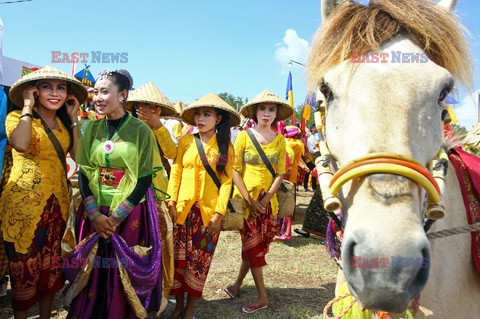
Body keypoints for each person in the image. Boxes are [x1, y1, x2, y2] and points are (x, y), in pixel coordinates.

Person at [64, 69, 167, 319]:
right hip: (95, 209)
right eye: (95, 92)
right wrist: (94, 214)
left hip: (129, 210)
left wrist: (117, 217)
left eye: (105, 91)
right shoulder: (90, 129)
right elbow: (86, 172)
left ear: (122, 95)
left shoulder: (141, 131)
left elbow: (145, 178)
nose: (98, 97)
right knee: (96, 265)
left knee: (121, 268)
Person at [0, 65, 86, 318]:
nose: (55, 93)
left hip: (56, 205)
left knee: (51, 270)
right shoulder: (17, 118)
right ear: (34, 91)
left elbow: (79, 156)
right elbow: (21, 144)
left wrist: (75, 119)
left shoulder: (64, 123)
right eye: (46, 86)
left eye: (61, 87)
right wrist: (27, 106)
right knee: (23, 271)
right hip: (22, 208)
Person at [167, 92, 240, 319]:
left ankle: (189, 309)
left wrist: (219, 213)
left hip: (208, 215)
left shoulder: (226, 147)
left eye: (207, 114)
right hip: (181, 211)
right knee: (178, 262)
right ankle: (178, 305)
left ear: (218, 119)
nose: (201, 118)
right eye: (198, 113)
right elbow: (176, 171)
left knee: (199, 263)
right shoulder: (187, 141)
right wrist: (170, 200)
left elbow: (227, 181)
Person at [225, 89, 293, 314]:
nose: (266, 113)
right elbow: (235, 170)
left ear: (276, 114)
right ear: (255, 112)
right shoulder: (243, 136)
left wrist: (265, 200)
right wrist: (250, 200)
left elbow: (281, 173)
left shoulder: (281, 140)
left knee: (255, 248)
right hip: (247, 205)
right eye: (262, 109)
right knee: (252, 247)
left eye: (271, 109)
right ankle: (262, 297)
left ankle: (237, 284)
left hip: (268, 205)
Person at [124, 81, 177, 310]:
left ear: (159, 110)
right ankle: (129, 294)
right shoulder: (125, 126)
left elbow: (172, 153)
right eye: (141, 106)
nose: (145, 110)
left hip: (156, 194)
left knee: (157, 245)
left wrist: (157, 126)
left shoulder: (162, 128)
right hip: (129, 195)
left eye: (152, 107)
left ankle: (154, 294)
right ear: (133, 107)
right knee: (132, 244)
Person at [276, 126, 304, 241]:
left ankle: (282, 232)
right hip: (291, 176)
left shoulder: (288, 145)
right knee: (287, 204)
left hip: (282, 178)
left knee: (282, 206)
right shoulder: (297, 144)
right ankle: (283, 231)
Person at [304, 124, 318, 191]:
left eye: (316, 131)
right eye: (314, 131)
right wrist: (318, 151)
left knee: (315, 172)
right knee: (308, 172)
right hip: (310, 158)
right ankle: (305, 187)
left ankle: (314, 187)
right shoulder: (310, 139)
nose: (315, 132)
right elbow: (310, 149)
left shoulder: (319, 138)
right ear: (311, 131)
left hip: (317, 157)